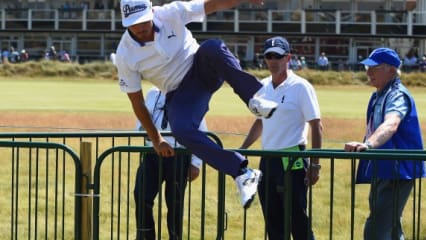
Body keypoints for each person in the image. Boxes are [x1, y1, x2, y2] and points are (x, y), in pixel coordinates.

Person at [115, 0, 278, 209]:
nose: (140, 28)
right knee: (181, 130)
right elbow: (136, 102)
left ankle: (254, 100)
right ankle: (243, 173)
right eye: (133, 24)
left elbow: (212, 4)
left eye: (143, 21)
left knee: (212, 47)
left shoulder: (170, 13)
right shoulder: (125, 54)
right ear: (125, 22)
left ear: (151, 12)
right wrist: (156, 139)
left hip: (203, 69)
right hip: (181, 95)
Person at [240, 36, 322, 240]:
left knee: (297, 219)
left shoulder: (301, 86)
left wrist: (315, 165)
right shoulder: (263, 86)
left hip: (293, 158)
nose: (273, 60)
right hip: (268, 161)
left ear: (288, 58)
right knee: (273, 220)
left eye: (278, 56)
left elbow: (316, 125)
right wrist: (242, 149)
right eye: (269, 56)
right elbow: (260, 121)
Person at [344, 47, 426, 240]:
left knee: (376, 229)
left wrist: (369, 145)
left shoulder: (396, 94)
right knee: (391, 228)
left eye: (375, 67)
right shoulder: (378, 95)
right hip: (383, 168)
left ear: (391, 70)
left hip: (398, 171)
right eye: (367, 67)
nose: (368, 72)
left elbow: (392, 123)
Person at [134, 86, 205, 240]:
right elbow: (141, 120)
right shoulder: (153, 93)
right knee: (141, 194)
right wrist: (144, 131)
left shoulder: (191, 95)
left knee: (175, 203)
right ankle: (145, 236)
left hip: (178, 155)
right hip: (152, 154)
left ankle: (175, 237)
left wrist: (196, 163)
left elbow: (201, 130)